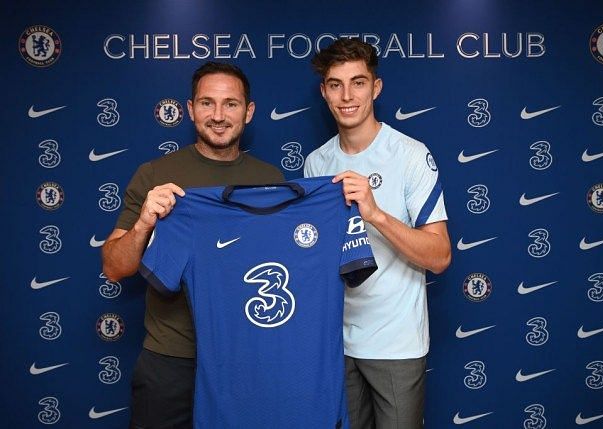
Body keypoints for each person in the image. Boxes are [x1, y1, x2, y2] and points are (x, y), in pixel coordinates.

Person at [102, 62, 284, 429]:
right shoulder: (155, 175)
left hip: (244, 358)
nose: (218, 115)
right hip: (170, 360)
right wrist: (144, 224)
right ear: (190, 109)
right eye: (207, 103)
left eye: (231, 104)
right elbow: (114, 267)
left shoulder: (271, 181)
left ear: (248, 112)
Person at [304, 38, 452, 429]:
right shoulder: (316, 162)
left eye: (358, 82)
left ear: (376, 87)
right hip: (336, 342)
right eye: (335, 84)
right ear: (324, 92)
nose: (347, 95)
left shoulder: (410, 154)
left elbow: (440, 255)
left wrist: (375, 214)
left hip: (395, 344)